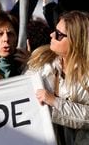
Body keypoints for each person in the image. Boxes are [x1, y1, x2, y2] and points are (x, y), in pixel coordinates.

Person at [25, 11, 89, 145]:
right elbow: (23, 94)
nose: (52, 35)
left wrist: (55, 102)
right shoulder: (41, 60)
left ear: (75, 41)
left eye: (59, 35)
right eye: (55, 30)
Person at [0, 12, 29, 78]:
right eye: (0, 34)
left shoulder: (25, 66)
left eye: (10, 34)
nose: (6, 39)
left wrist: (28, 67)